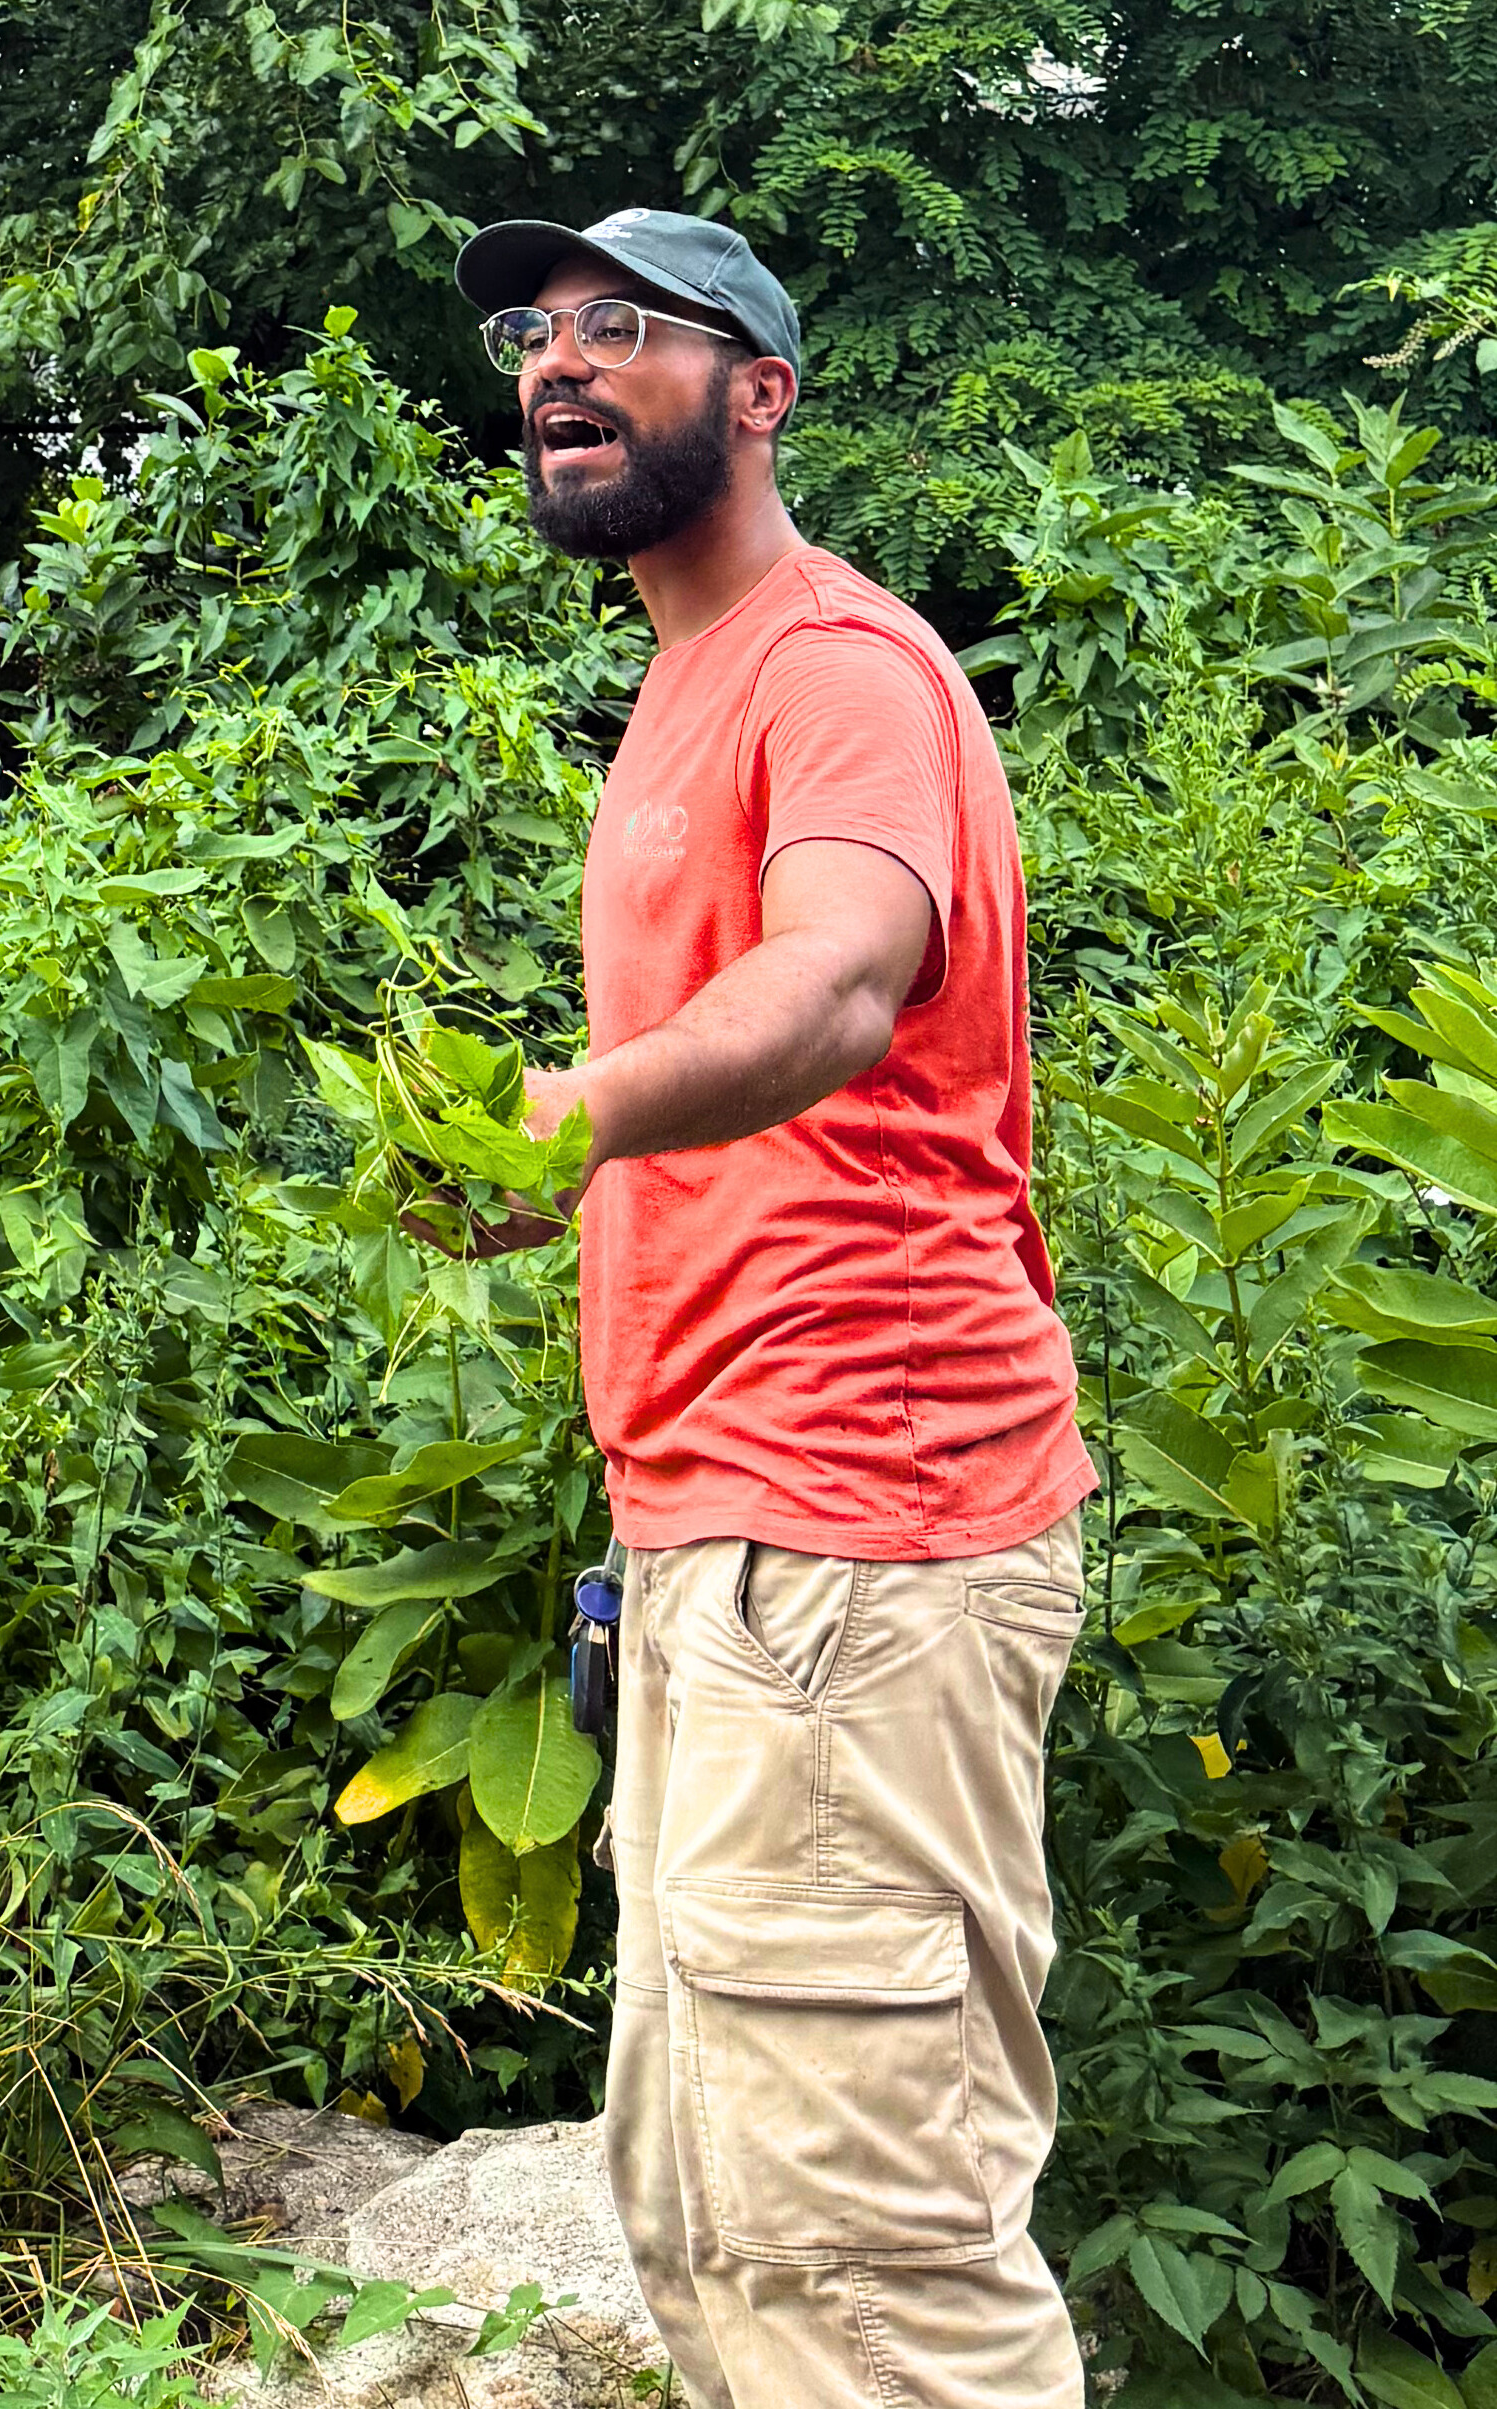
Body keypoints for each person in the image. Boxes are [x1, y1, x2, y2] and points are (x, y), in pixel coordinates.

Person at [453, 208, 1100, 2409]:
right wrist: (585, 1175)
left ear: (763, 392)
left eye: (625, 326)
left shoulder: (834, 666)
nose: (560, 359)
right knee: (725, 2222)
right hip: (736, 1536)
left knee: (870, 2268)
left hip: (858, 1533)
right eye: (533, 330)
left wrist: (568, 1118)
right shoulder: (688, 673)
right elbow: (762, 1088)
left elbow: (834, 985)